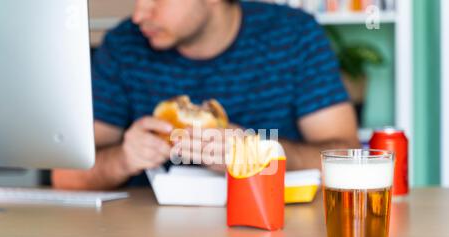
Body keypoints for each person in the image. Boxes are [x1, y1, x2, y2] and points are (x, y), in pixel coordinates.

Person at [52, 0, 360, 190]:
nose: (138, 14)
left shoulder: (294, 35)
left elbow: (346, 158)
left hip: (271, 232)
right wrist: (124, 158)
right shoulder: (122, 46)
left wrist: (259, 152)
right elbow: (65, 176)